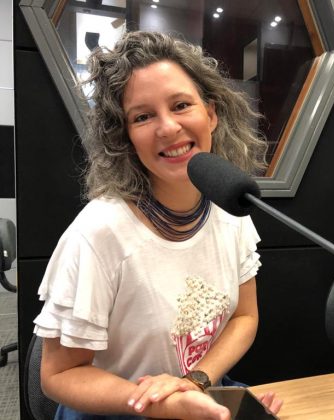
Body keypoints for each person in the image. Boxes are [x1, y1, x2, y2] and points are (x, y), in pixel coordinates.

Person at [33, 30, 282, 419]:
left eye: (181, 105)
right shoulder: (98, 234)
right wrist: (164, 404)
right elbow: (59, 375)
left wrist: (196, 382)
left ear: (211, 114)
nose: (167, 128)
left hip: (195, 397)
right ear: (126, 137)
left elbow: (244, 317)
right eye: (143, 116)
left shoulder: (230, 210)